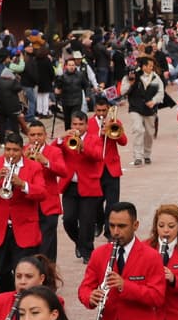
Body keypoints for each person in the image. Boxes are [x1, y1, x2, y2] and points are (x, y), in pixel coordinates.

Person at [0, 132, 47, 294]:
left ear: (22, 150)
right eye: (8, 150)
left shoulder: (34, 167)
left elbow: (42, 193)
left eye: (15, 150)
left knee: (24, 270)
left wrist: (23, 185)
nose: (11, 154)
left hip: (24, 229)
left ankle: (23, 298)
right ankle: (8, 295)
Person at [60, 112, 103, 264]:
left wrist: (83, 146)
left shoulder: (94, 138)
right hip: (70, 185)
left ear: (86, 125)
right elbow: (53, 150)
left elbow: (98, 155)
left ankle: (88, 252)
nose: (77, 128)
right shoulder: (66, 139)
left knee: (87, 222)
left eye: (80, 124)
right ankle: (79, 243)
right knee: (68, 219)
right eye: (74, 124)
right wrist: (60, 138)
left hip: (89, 185)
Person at [25, 119, 69, 265]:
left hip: (49, 204)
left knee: (47, 244)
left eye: (39, 134)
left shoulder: (54, 151)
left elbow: (63, 171)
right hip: (29, 203)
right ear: (28, 136)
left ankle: (47, 276)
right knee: (33, 243)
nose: (36, 138)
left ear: (45, 135)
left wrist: (46, 162)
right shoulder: (23, 151)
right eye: (33, 135)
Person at [87, 97, 127, 236]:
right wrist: (100, 135)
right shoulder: (88, 123)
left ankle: (108, 230)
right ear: (94, 109)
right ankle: (99, 222)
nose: (102, 113)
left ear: (108, 109)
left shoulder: (114, 121)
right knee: (97, 202)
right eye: (99, 110)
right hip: (95, 169)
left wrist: (114, 132)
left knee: (112, 203)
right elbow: (87, 144)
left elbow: (124, 142)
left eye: (104, 110)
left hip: (112, 168)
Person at [124, 57, 164, 167]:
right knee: (138, 130)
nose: (152, 68)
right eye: (150, 66)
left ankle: (147, 154)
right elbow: (123, 91)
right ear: (144, 66)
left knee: (149, 133)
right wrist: (130, 83)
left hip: (150, 110)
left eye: (152, 66)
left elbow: (161, 92)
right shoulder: (131, 76)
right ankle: (137, 157)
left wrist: (154, 101)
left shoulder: (156, 78)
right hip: (135, 108)